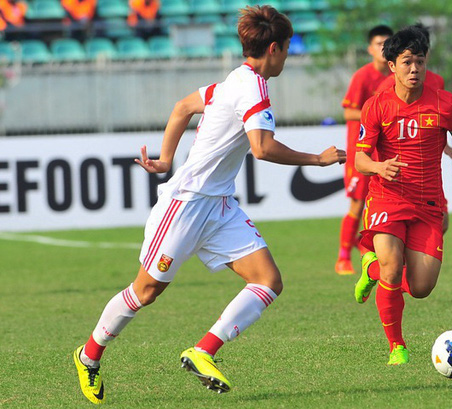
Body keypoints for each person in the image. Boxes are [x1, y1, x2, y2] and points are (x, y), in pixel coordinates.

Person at [72, 5, 346, 405]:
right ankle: (88, 356)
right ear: (273, 48)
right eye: (287, 48)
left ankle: (203, 351)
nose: (288, 57)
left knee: (268, 280)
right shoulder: (251, 87)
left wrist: (166, 159)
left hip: (218, 206)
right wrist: (317, 159)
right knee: (146, 291)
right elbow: (262, 148)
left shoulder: (232, 81)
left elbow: (183, 107)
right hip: (185, 205)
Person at [352, 26, 452, 366]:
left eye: (420, 62)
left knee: (421, 287)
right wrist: (379, 167)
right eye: (407, 62)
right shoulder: (376, 106)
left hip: (428, 204)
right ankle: (397, 346)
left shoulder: (446, 104)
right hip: (387, 198)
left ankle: (372, 270)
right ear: (392, 66)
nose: (414, 69)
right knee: (393, 267)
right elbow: (360, 159)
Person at [375, 22, 452, 235]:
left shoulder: (436, 82)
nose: (415, 65)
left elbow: (436, 121)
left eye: (422, 53)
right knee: (391, 236)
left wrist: (445, 146)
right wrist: (378, 165)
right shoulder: (388, 86)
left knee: (443, 222)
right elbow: (376, 123)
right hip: (394, 173)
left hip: (426, 175)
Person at [335, 24, 393, 276]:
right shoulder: (363, 76)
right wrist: (376, 115)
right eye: (379, 44)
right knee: (357, 205)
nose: (383, 48)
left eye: (387, 43)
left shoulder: (396, 76)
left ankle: (367, 251)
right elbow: (348, 112)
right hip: (361, 151)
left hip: (384, 152)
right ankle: (342, 257)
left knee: (378, 205)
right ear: (370, 49)